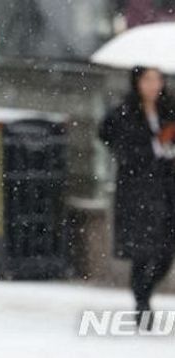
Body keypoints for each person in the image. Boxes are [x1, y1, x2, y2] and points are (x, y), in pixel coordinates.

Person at [99, 66, 175, 328]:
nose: (154, 85)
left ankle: (145, 293)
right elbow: (108, 135)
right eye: (148, 79)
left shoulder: (169, 109)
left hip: (167, 188)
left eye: (158, 79)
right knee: (144, 250)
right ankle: (141, 301)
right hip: (138, 190)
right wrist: (144, 150)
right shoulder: (126, 112)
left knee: (166, 250)